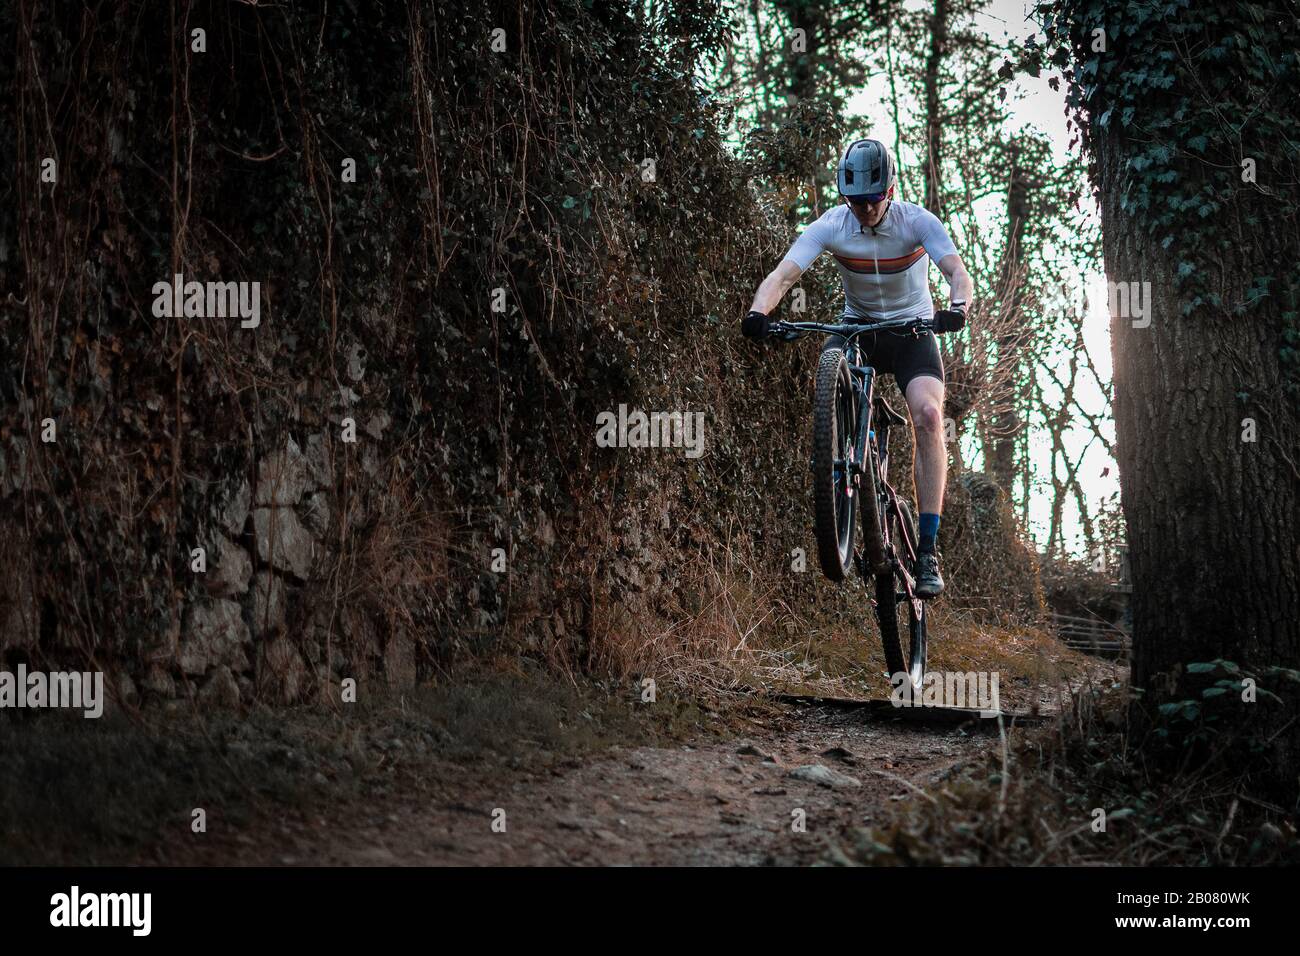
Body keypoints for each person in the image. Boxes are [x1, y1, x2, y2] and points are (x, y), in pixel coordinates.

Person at [741, 138, 973, 598]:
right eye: (855, 201)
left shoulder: (918, 222)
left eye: (872, 200)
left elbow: (956, 272)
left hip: (912, 333)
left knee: (928, 417)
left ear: (890, 191)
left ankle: (927, 550)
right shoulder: (833, 224)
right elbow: (785, 274)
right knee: (829, 371)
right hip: (858, 329)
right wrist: (758, 313)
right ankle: (847, 462)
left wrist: (958, 307)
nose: (864, 210)